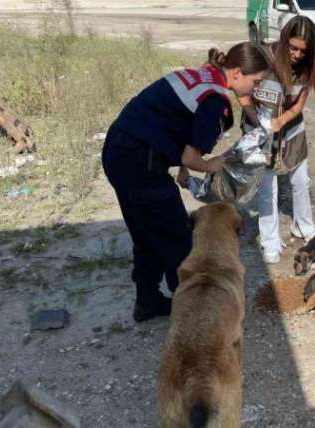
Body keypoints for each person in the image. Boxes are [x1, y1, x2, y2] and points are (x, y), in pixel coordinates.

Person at [102, 43, 269, 322]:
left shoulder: (205, 75)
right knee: (178, 238)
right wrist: (210, 165)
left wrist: (182, 168)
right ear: (238, 73)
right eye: (256, 82)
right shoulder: (215, 101)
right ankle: (193, 314)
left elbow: (178, 121)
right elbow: (193, 156)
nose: (255, 89)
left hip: (120, 151)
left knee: (146, 233)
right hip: (139, 162)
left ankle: (148, 301)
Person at [240, 16, 315, 264]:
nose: (296, 55)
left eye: (302, 51)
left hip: (290, 129)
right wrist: (257, 121)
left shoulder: (307, 68)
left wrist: (281, 120)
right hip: (261, 131)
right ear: (284, 39)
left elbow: (298, 106)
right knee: (268, 188)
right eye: (292, 47)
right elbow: (242, 94)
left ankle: (304, 227)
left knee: (301, 180)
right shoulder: (261, 58)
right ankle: (270, 241)